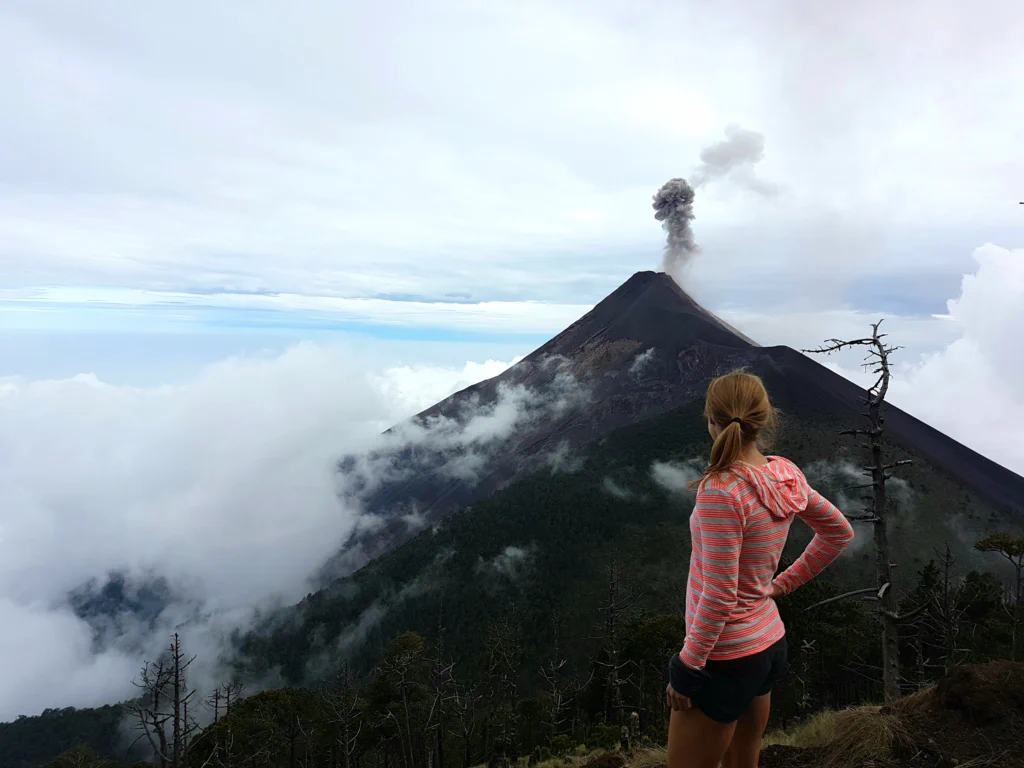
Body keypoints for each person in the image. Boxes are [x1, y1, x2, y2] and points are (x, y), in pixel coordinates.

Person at [665, 370, 854, 768]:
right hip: (767, 643)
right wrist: (782, 586)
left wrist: (687, 667)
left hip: (725, 656)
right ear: (764, 419)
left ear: (711, 420)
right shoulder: (784, 475)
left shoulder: (721, 490)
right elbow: (838, 532)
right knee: (744, 758)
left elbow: (720, 595)